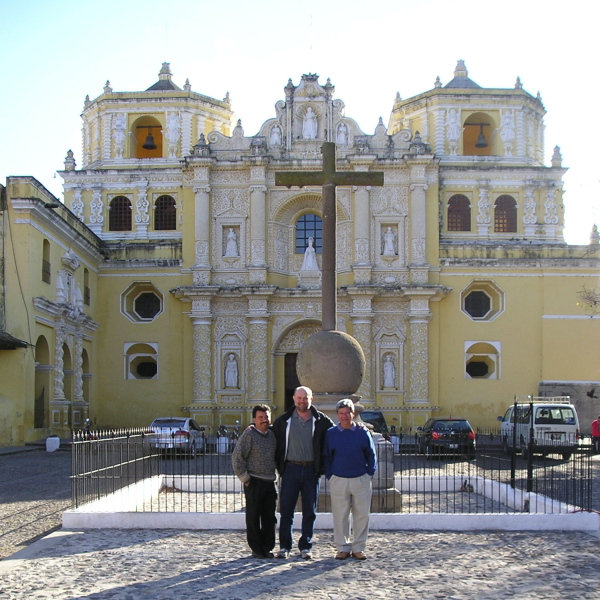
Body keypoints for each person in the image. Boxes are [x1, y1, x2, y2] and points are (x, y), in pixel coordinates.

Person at [272, 386, 334, 560]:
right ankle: (285, 546)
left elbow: (336, 434)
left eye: (305, 398)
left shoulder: (321, 420)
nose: (302, 401)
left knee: (310, 511)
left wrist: (357, 427)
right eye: (299, 398)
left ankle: (306, 545)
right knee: (286, 510)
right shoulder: (284, 420)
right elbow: (270, 437)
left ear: (311, 399)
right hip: (290, 469)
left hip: (311, 471)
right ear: (293, 399)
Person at [324, 398, 377, 561]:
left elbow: (371, 453)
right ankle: (342, 547)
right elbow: (326, 455)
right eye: (341, 413)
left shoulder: (362, 432)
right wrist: (330, 475)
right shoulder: (331, 434)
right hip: (339, 478)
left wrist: (369, 472)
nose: (344, 416)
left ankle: (358, 547)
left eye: (347, 413)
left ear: (352, 414)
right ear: (337, 415)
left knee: (362, 514)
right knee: (340, 515)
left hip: (360, 478)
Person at [232, 404, 278, 559]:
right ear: (254, 419)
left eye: (266, 417)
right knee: (253, 517)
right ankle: (256, 548)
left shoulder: (272, 435)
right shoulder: (249, 435)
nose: (264, 420)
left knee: (269, 517)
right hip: (254, 482)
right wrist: (245, 478)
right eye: (261, 417)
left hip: (269, 482)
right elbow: (237, 457)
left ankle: (267, 547)